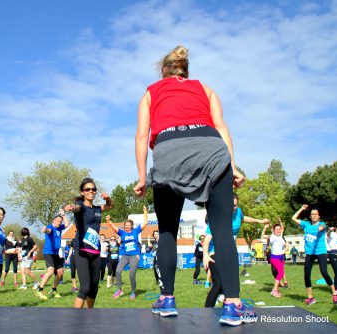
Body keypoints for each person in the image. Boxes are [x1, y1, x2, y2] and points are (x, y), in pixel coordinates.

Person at [133, 46, 255, 325]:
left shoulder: (151, 92)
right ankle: (233, 306)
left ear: (164, 71)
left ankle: (166, 300)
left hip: (168, 152)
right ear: (186, 71)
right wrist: (233, 167)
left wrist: (142, 176)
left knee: (166, 229)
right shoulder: (206, 89)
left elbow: (142, 136)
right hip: (211, 149)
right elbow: (222, 126)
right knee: (223, 231)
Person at [64, 177, 113, 308]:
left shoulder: (97, 209)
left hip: (95, 253)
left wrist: (107, 198)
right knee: (85, 288)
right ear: (82, 192)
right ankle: (75, 321)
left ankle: (89, 317)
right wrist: (71, 207)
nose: (91, 191)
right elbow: (77, 208)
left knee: (94, 289)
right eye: (87, 189)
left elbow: (111, 206)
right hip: (82, 252)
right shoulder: (81, 207)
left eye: (93, 189)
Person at [291, 205, 337, 305]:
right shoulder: (306, 224)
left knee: (324, 272)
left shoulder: (322, 224)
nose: (314, 216)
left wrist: (321, 228)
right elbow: (293, 218)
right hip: (309, 253)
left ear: (318, 216)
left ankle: (334, 294)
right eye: (312, 214)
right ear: (310, 216)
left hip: (321, 252)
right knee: (307, 275)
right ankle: (310, 297)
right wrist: (301, 209)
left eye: (316, 214)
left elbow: (323, 227)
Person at [108, 206, 149, 300]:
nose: (126, 226)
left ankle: (133, 292)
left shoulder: (136, 231)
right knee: (118, 271)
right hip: (125, 256)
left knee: (131, 274)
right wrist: (109, 221)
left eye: (128, 225)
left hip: (134, 256)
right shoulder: (122, 233)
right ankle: (119, 290)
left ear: (131, 226)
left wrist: (145, 212)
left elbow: (145, 222)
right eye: (125, 225)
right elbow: (114, 227)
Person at [35, 209, 71, 300]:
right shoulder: (50, 227)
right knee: (50, 271)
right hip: (49, 253)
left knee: (60, 272)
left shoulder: (59, 228)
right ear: (53, 221)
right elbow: (48, 231)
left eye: (60, 221)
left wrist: (63, 215)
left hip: (57, 253)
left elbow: (67, 224)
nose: (59, 222)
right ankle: (39, 290)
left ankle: (53, 289)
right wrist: (45, 230)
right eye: (57, 221)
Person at [261, 222, 287, 298]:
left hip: (281, 257)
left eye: (279, 229)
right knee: (281, 273)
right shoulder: (272, 236)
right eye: (276, 229)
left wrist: (280, 222)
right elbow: (262, 235)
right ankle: (274, 289)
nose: (278, 230)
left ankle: (277, 290)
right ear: (273, 230)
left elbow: (282, 229)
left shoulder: (280, 235)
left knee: (280, 273)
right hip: (275, 258)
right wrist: (265, 227)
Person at [327, 226, 337, 301]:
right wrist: (329, 230)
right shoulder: (333, 234)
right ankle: (336, 288)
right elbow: (328, 235)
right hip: (333, 254)